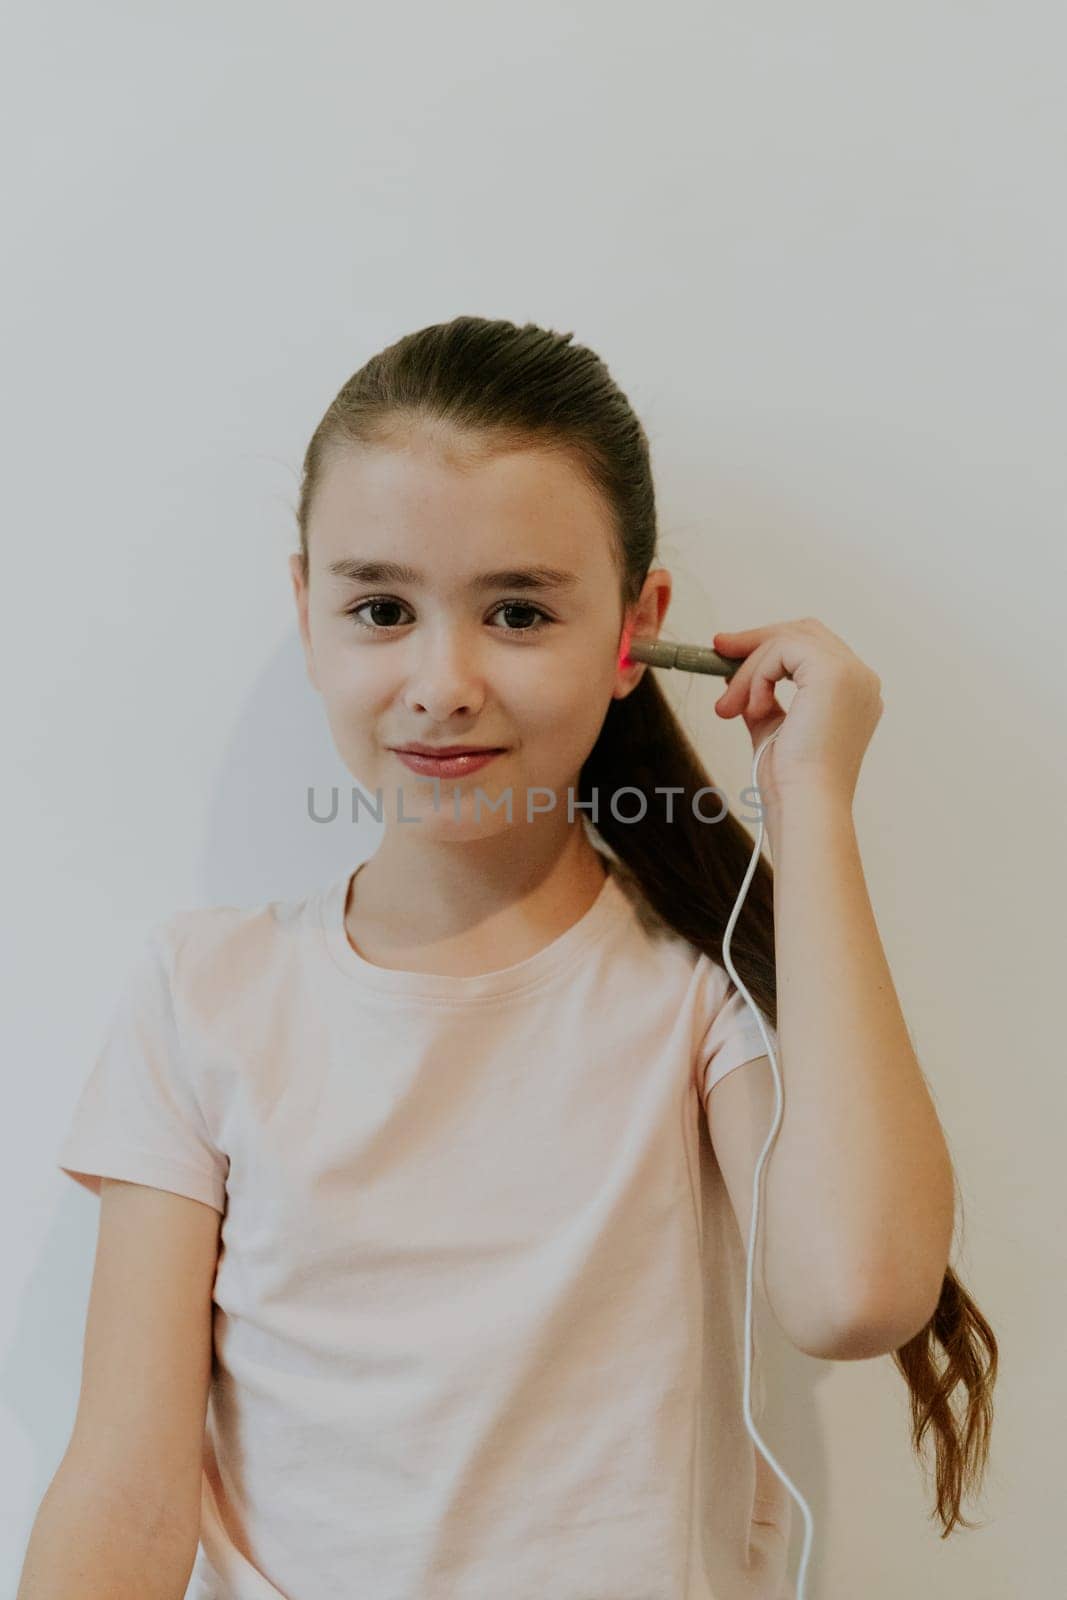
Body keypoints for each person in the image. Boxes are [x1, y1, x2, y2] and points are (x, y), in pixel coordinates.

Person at [42, 317, 996, 1599]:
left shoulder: (694, 996)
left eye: (517, 612)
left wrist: (807, 795)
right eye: (380, 607)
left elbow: (855, 1293)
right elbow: (124, 1494)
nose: (442, 680)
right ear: (305, 609)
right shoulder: (203, 994)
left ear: (632, 631)